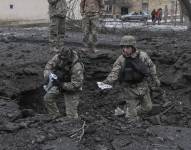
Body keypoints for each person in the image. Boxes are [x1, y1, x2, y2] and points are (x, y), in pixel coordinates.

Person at [102, 35, 160, 122]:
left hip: (142, 86)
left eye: (128, 47)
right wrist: (106, 82)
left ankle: (129, 112)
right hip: (129, 89)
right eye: (123, 47)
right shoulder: (121, 59)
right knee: (132, 119)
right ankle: (131, 118)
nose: (125, 50)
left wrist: (155, 79)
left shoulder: (142, 56)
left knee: (148, 107)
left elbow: (151, 67)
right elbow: (114, 73)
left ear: (133, 47)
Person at [43, 48, 84, 119]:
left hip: (71, 88)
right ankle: (55, 116)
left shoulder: (77, 67)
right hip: (59, 81)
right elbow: (48, 67)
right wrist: (49, 76)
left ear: (69, 57)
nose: (62, 60)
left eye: (64, 59)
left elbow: (76, 85)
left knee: (71, 117)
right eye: (61, 58)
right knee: (48, 98)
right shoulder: (58, 56)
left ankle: (72, 125)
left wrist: (61, 85)